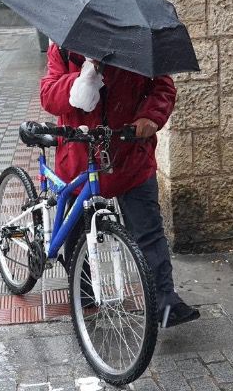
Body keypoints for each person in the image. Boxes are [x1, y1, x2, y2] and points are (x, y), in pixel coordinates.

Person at [40, 43, 200, 328]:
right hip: (80, 158)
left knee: (148, 232)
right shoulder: (65, 50)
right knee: (77, 234)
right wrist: (79, 81)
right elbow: (48, 96)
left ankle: (165, 300)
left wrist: (151, 116)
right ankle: (83, 291)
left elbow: (162, 87)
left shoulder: (138, 46)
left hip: (130, 156)